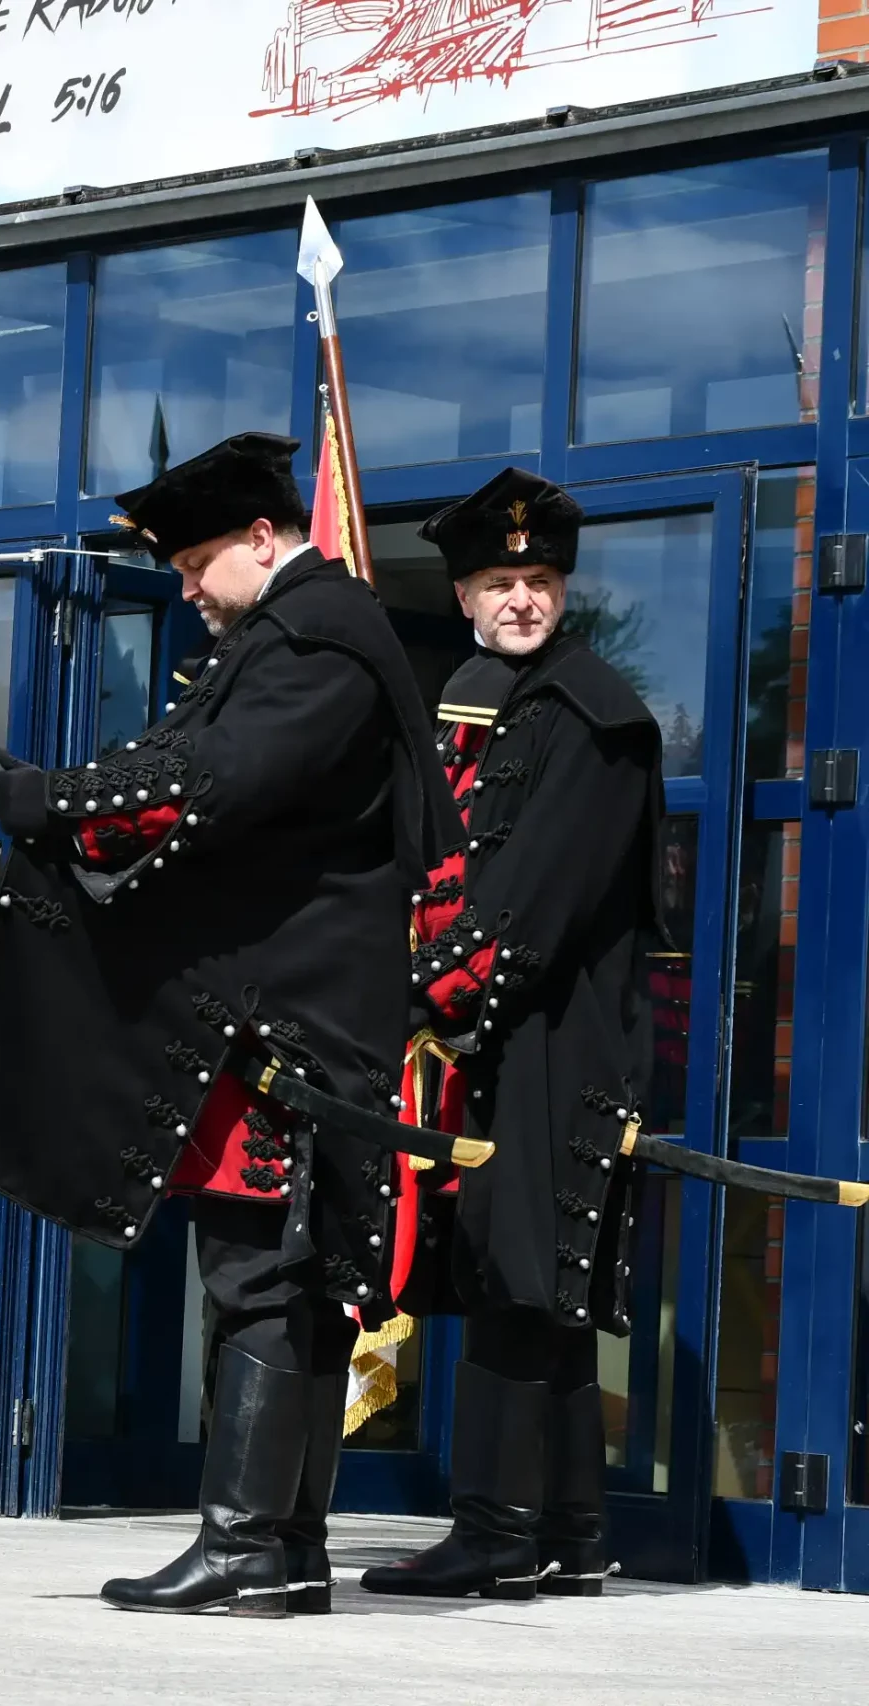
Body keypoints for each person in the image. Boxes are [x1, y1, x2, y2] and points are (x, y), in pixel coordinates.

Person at [0, 433, 457, 1615]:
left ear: (263, 539)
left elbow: (224, 773)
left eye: (195, 563)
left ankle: (249, 1543)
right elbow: (190, 755)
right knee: (281, 1270)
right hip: (289, 1011)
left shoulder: (315, 636)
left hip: (285, 1017)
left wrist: (57, 800)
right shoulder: (296, 636)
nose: (185, 588)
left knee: (261, 1269)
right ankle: (282, 1548)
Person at [362, 469, 660, 1600]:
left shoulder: (596, 714)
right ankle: (570, 1535)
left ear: (562, 588)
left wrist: (421, 1001)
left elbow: (532, 908)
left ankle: (496, 1529)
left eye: (538, 580)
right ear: (466, 591)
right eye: (499, 581)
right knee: (536, 1280)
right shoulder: (475, 697)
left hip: (547, 1036)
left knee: (519, 1274)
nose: (520, 598)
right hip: (494, 1031)